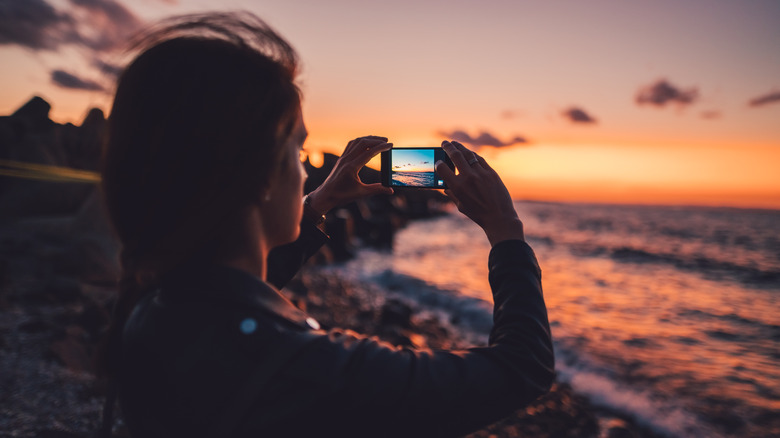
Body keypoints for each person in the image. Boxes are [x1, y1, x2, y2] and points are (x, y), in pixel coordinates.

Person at [99, 11, 554, 438]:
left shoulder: (158, 303)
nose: (306, 172)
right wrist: (506, 233)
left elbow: (228, 288)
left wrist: (319, 203)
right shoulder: (306, 367)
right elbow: (522, 368)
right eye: (298, 154)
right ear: (259, 177)